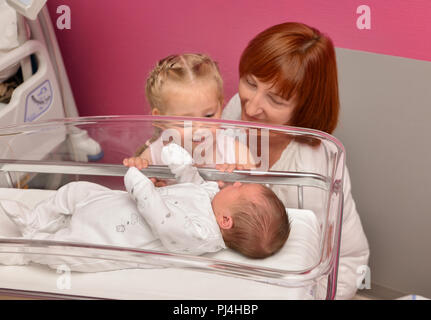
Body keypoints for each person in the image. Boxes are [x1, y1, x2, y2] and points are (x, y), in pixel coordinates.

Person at [221, 22, 369, 299]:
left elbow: (342, 262)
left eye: (275, 100)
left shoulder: (313, 168)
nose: (251, 107)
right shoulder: (234, 110)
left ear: (305, 107)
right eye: (250, 83)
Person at [1, 144, 290, 272]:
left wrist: (142, 187)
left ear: (225, 221)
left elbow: (164, 223)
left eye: (240, 189)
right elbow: (192, 183)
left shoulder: (202, 235)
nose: (235, 184)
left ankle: (24, 251)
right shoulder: (211, 194)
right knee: (75, 191)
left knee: (63, 251)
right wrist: (183, 165)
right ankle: (36, 220)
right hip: (109, 204)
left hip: (104, 241)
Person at [123, 53, 254, 173]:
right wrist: (138, 171)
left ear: (220, 105)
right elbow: (137, 193)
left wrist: (237, 183)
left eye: (209, 115)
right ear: (160, 118)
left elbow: (259, 194)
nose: (200, 128)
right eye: (186, 121)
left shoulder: (236, 153)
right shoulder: (153, 157)